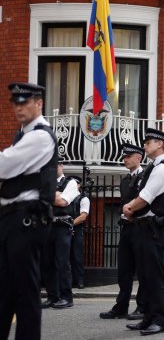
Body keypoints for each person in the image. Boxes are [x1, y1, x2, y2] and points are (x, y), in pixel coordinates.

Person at [0, 82, 57, 340]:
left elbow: (5, 165)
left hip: (27, 220)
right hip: (12, 219)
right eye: (16, 103)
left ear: (39, 103)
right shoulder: (22, 135)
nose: (19, 108)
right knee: (6, 290)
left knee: (25, 291)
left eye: (25, 102)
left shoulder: (40, 136)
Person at [123, 128, 164, 335]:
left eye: (148, 142)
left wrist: (129, 209)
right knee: (145, 277)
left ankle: (161, 320)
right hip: (144, 227)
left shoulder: (163, 169)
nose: (144, 145)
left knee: (154, 276)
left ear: (160, 144)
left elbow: (145, 197)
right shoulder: (152, 168)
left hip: (155, 228)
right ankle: (148, 317)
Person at [99, 143, 146, 320]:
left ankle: (142, 307)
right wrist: (122, 212)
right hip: (126, 228)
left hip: (140, 227)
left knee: (142, 270)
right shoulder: (125, 180)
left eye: (128, 156)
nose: (124, 159)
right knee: (124, 271)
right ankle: (121, 306)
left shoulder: (145, 177)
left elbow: (144, 200)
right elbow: (123, 202)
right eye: (124, 157)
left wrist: (133, 213)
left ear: (139, 158)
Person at [42, 160, 80, 309]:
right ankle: (52, 296)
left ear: (61, 166)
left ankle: (66, 297)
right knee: (47, 263)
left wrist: (47, 196)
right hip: (47, 225)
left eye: (55, 165)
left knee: (62, 262)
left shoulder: (70, 183)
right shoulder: (45, 183)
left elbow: (63, 202)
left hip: (62, 226)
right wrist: (55, 196)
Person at [69, 177, 90, 289]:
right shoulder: (65, 198)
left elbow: (82, 217)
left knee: (77, 256)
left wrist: (69, 225)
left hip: (76, 230)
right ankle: (69, 280)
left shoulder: (83, 199)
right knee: (65, 256)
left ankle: (80, 280)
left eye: (75, 183)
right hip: (66, 229)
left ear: (79, 185)